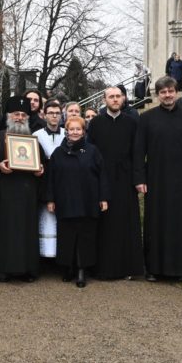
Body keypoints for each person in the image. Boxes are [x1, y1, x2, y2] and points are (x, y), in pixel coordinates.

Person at [134, 76, 182, 280]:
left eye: (170, 91)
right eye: (163, 92)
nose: (167, 95)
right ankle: (154, 269)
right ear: (157, 95)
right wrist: (139, 179)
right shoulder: (146, 118)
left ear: (177, 92)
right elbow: (139, 151)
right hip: (156, 178)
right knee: (155, 223)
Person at [0, 96, 46, 282]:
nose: (19, 117)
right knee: (3, 231)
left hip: (27, 194)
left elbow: (41, 164)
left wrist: (40, 170)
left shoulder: (33, 139)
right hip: (3, 193)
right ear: (9, 116)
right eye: (16, 114)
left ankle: (29, 270)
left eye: (23, 115)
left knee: (26, 231)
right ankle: (2, 270)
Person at [46, 115, 109, 287]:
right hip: (65, 200)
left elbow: (102, 175)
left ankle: (82, 269)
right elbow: (50, 178)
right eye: (71, 129)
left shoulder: (92, 151)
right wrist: (50, 199)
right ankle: (68, 267)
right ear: (67, 131)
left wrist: (103, 197)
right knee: (66, 236)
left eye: (78, 129)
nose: (75, 132)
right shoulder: (58, 153)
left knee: (85, 237)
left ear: (83, 131)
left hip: (87, 200)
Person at [88, 87, 143, 279]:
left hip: (125, 179)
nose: (114, 99)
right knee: (105, 224)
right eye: (111, 97)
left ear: (124, 99)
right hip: (102, 179)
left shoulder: (132, 123)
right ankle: (104, 268)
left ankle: (128, 268)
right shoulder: (95, 123)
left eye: (118, 96)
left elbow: (137, 153)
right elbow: (90, 152)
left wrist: (138, 179)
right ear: (104, 100)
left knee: (126, 223)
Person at [35, 101, 66, 259]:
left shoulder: (68, 133)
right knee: (46, 218)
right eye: (51, 113)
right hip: (45, 181)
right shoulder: (37, 135)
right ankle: (45, 255)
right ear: (44, 115)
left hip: (64, 182)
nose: (54, 116)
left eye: (57, 113)